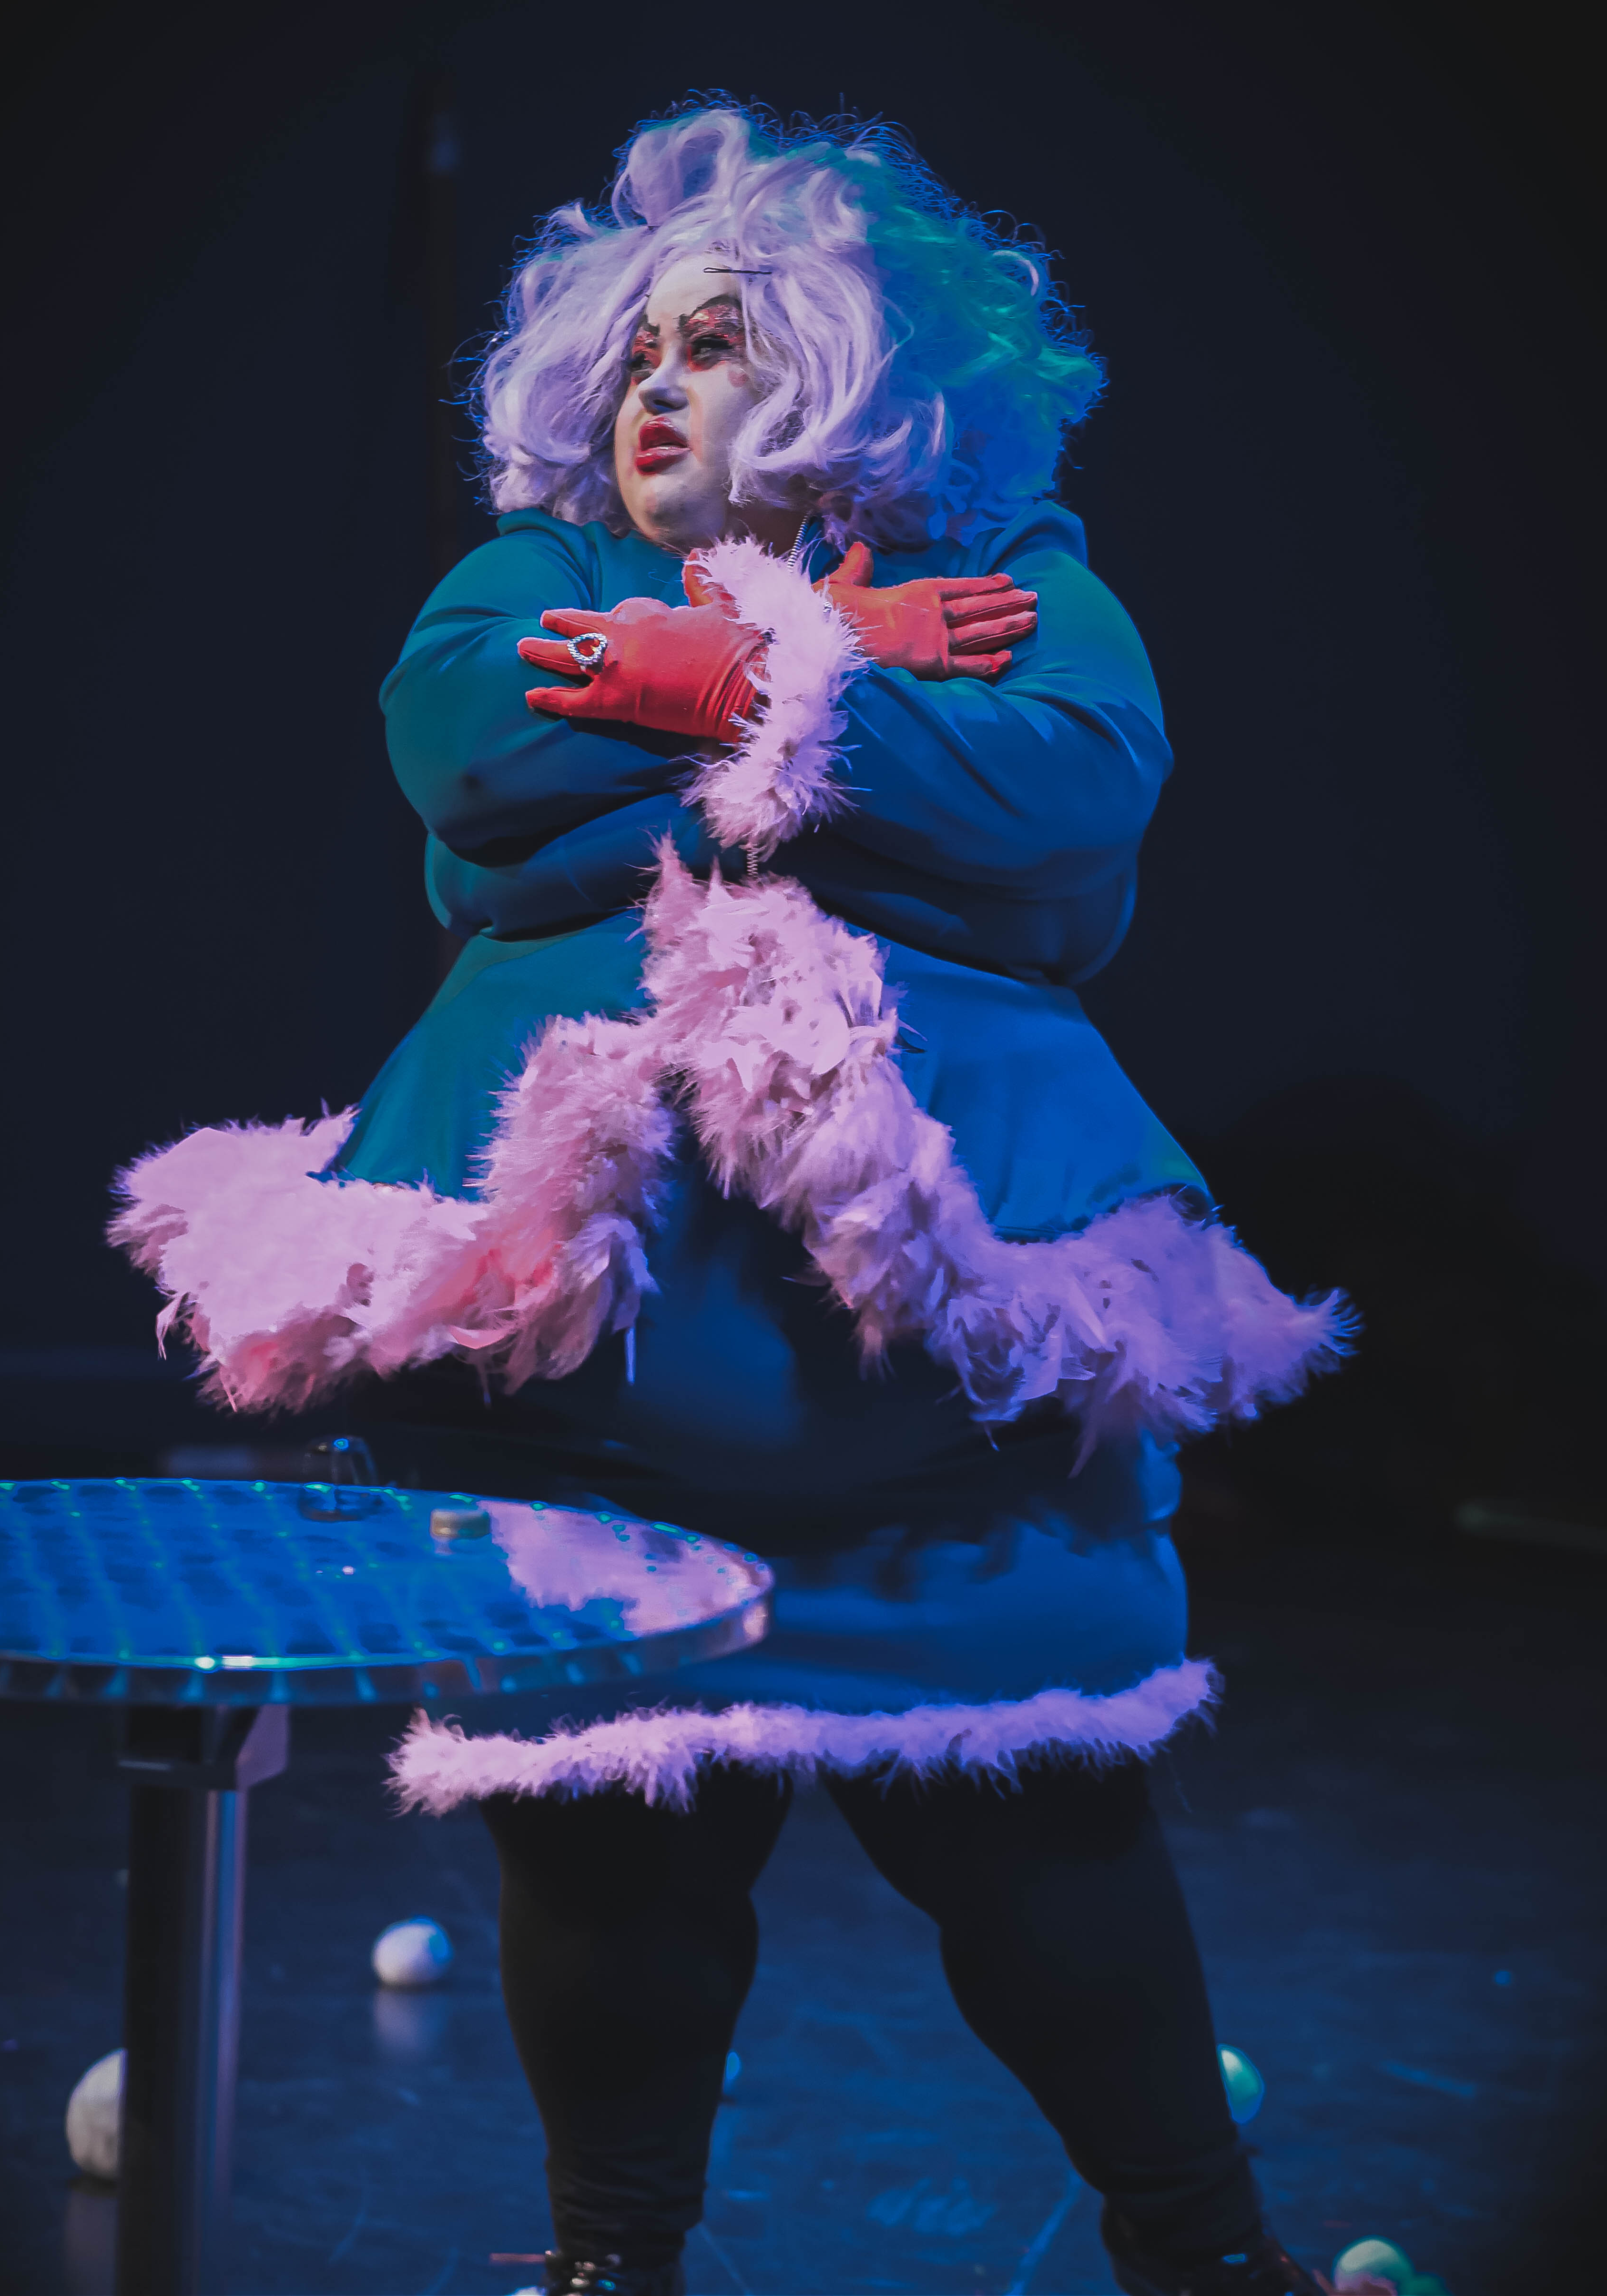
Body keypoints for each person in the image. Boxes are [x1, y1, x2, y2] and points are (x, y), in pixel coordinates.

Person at [112, 104, 1362, 2296]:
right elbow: (469, 760)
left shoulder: (1027, 589)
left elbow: (1068, 802)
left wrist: (763, 682)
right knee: (612, 1854)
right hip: (599, 1385)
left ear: (854, 375)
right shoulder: (534, 576)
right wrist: (827, 707)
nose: (652, 388)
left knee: (1041, 1836)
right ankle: (614, 2262)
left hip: (926, 1391)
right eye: (633, 353)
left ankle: (1208, 2252)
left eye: (717, 343)